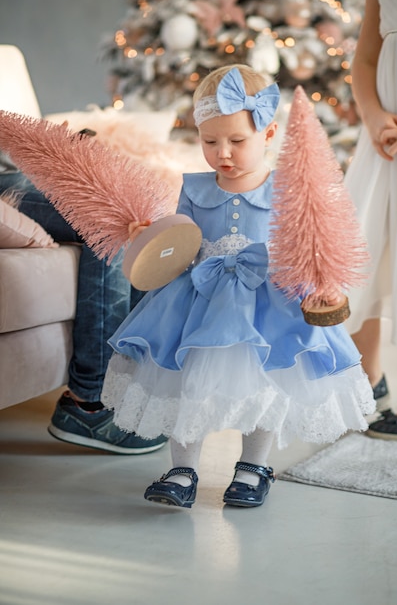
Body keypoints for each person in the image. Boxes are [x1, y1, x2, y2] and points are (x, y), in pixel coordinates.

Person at [101, 64, 375, 509]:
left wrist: (318, 284)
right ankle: (182, 468)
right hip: (200, 300)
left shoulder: (285, 189)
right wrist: (148, 238)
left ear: (268, 136)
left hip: (267, 303)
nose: (222, 153)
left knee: (266, 379)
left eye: (236, 141)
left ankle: (252, 468)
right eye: (210, 141)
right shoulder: (194, 187)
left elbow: (305, 245)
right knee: (185, 378)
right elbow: (182, 244)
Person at [0, 160, 167, 455]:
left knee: (143, 209)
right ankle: (89, 404)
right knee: (109, 219)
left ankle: (130, 389)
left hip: (16, 166)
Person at [344, 0, 397, 440]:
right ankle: (365, 380)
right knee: (363, 248)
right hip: (385, 141)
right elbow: (365, 58)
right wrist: (372, 117)